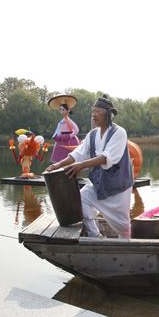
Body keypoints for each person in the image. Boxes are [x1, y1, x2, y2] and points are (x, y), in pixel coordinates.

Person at [46, 95, 133, 238]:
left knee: (122, 226)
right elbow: (77, 154)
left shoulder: (119, 132)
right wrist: (58, 164)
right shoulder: (92, 135)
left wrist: (80, 165)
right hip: (99, 184)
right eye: (92, 111)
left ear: (107, 114)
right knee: (80, 199)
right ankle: (95, 236)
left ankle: (126, 244)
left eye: (97, 111)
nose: (93, 115)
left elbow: (105, 158)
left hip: (118, 186)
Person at [48, 97, 81, 163]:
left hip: (70, 140)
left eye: (63, 110)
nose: (61, 111)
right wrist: (57, 136)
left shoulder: (69, 121)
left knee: (69, 156)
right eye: (60, 110)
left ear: (67, 110)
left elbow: (76, 130)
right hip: (61, 140)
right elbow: (58, 130)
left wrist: (70, 136)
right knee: (60, 157)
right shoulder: (61, 122)